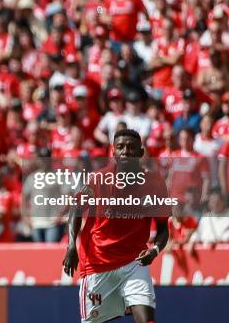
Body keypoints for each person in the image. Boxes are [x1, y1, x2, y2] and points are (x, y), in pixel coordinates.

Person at [63, 129, 170, 323]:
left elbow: (163, 227)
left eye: (131, 147)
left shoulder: (154, 183)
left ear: (141, 152)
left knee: (146, 319)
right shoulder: (99, 180)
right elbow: (76, 209)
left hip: (134, 262)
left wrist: (154, 251)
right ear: (113, 153)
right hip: (97, 263)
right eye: (120, 147)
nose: (125, 152)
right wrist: (71, 246)